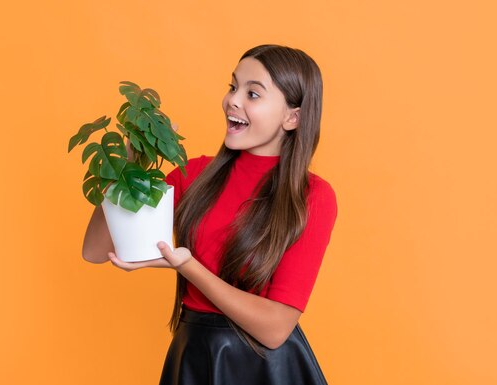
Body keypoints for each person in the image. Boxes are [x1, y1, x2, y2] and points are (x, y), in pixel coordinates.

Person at [82, 44, 338, 385]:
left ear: (292, 117)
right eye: (233, 87)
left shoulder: (311, 197)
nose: (233, 100)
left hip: (269, 370)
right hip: (194, 356)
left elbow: (276, 329)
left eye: (253, 93)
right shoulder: (194, 177)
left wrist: (187, 265)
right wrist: (128, 162)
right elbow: (95, 250)